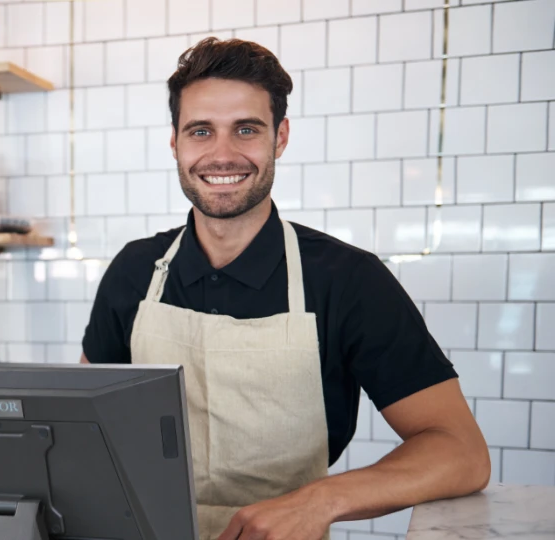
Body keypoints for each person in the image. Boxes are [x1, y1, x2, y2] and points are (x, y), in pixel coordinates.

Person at [80, 37, 490, 540]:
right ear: (175, 142)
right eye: (201, 131)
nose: (222, 154)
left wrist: (319, 501)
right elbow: (82, 427)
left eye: (246, 129)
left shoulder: (348, 279)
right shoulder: (134, 270)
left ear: (281, 136)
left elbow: (461, 451)